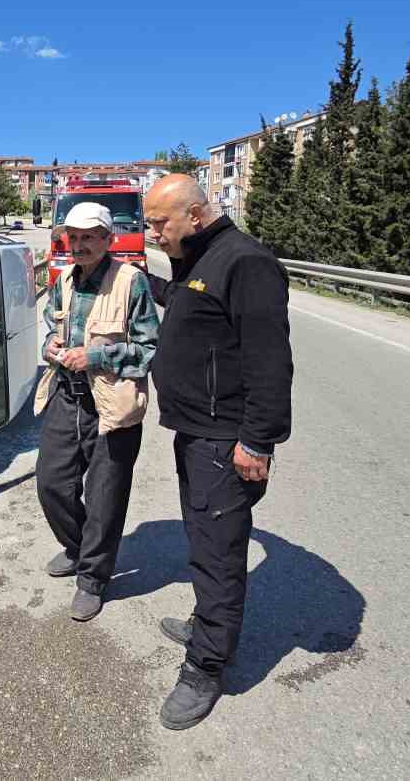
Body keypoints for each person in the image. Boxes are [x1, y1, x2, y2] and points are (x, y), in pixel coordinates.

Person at [141, 174, 293, 731]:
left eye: (160, 223)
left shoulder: (245, 261)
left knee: (218, 554)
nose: (153, 232)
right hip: (196, 432)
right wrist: (141, 279)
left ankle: (205, 667)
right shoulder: (200, 257)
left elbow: (270, 359)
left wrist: (257, 441)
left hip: (224, 439)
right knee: (204, 539)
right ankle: (208, 624)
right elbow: (188, 306)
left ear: (195, 215)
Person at [33, 201, 159, 621]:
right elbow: (53, 325)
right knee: (52, 484)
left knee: (105, 497)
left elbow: (149, 349)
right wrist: (50, 345)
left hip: (112, 404)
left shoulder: (131, 281)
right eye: (74, 236)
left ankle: (92, 579)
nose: (79, 244)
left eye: (89, 237)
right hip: (66, 396)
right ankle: (78, 548)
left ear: (109, 239)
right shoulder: (65, 280)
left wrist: (96, 356)